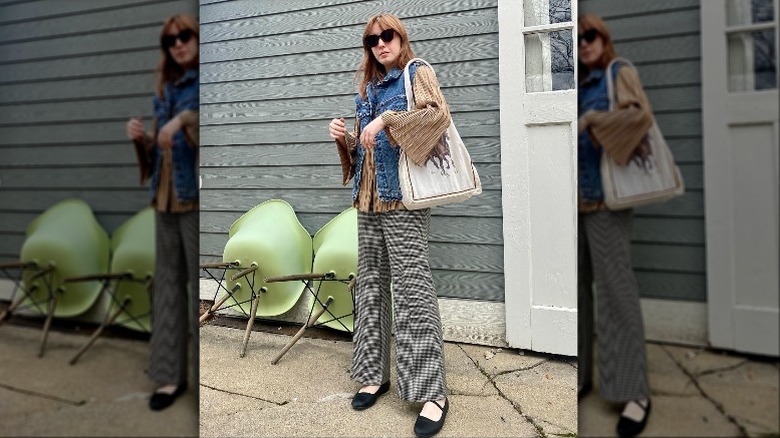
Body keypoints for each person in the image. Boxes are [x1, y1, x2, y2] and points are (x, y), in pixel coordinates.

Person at [327, 13, 451, 438]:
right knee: (371, 284)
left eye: (387, 36)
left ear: (401, 38)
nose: (381, 44)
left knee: (412, 288)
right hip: (368, 199)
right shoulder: (368, 87)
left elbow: (437, 116)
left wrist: (388, 120)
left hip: (403, 199)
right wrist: (344, 137)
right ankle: (374, 374)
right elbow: (365, 150)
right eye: (372, 40)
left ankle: (432, 392)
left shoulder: (418, 73)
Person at [576, 13, 653, 438]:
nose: (584, 43)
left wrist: (593, 122)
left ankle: (634, 393)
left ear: (604, 40)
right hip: (576, 203)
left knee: (615, 292)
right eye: (579, 37)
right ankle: (583, 376)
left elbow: (638, 117)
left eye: (591, 36)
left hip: (607, 201)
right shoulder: (579, 83)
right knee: (579, 293)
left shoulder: (619, 73)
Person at [125, 13, 199, 412]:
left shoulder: (202, 86)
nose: (178, 44)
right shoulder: (166, 89)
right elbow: (159, 156)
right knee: (168, 286)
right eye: (171, 40)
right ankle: (171, 377)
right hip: (166, 198)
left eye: (185, 36)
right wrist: (144, 139)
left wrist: (186, 120)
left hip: (194, 202)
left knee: (191, 289)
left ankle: (202, 377)